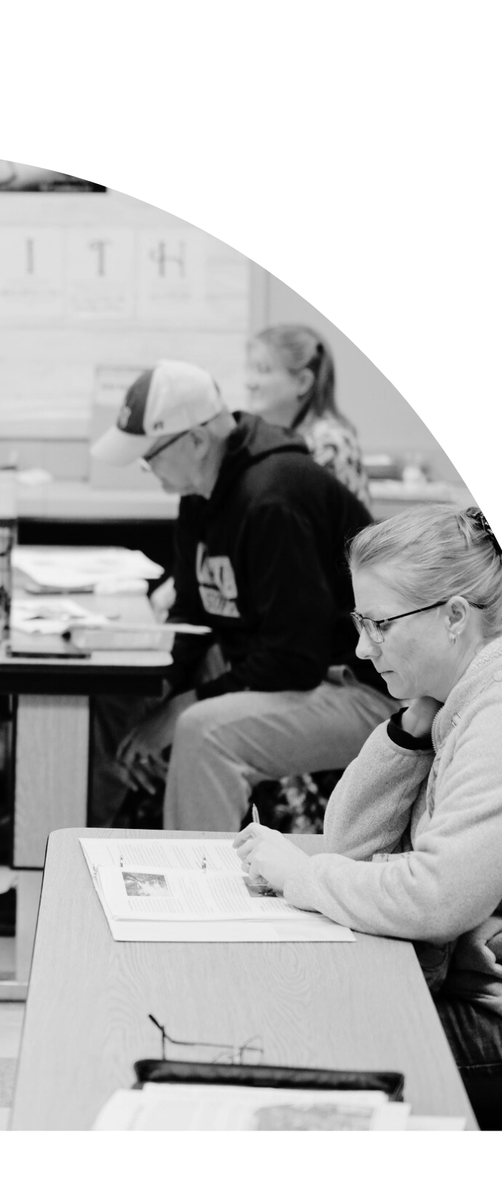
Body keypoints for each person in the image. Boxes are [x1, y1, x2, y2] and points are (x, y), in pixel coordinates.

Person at [236, 506, 502, 1129]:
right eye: (360, 622)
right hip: (464, 986)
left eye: (380, 624)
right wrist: (410, 731)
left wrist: (299, 875)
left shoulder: (493, 718)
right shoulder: (456, 701)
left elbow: (436, 899)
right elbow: (349, 847)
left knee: (292, 1054)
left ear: (455, 617)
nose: (362, 647)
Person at [98, 359, 397, 832]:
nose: (146, 469)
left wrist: (179, 708)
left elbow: (294, 658)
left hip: (360, 685)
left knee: (201, 731)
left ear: (196, 441)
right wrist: (161, 698)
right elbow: (192, 616)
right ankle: (73, 856)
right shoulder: (200, 492)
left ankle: (197, 898)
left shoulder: (273, 499)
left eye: (149, 455)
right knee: (122, 696)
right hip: (291, 673)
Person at [245, 324, 371, 508]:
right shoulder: (281, 438)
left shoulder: (329, 445)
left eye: (263, 370)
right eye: (251, 369)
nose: (250, 383)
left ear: (303, 382)